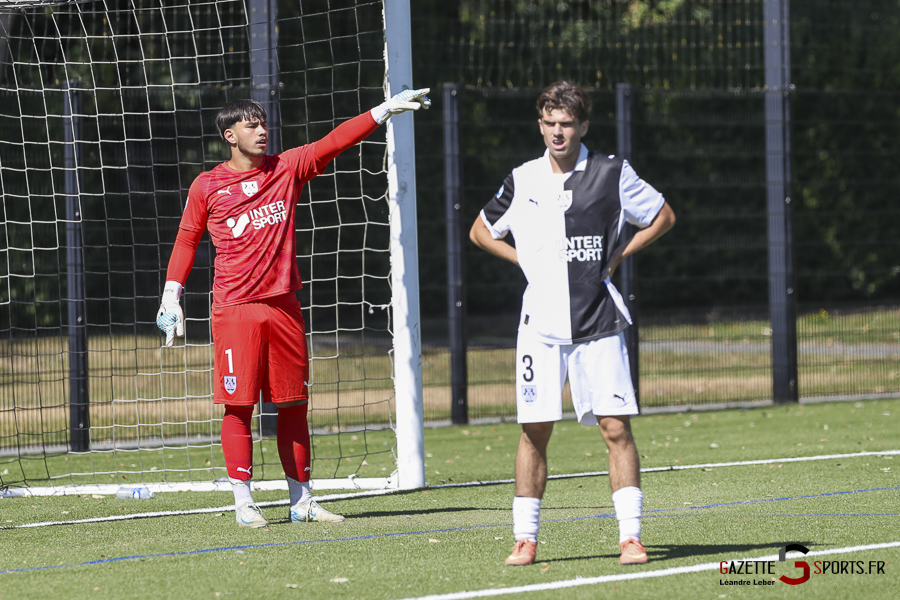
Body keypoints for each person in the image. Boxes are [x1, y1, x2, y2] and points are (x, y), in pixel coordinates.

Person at [155, 89, 431, 528]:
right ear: (230, 135)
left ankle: (302, 501)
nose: (262, 131)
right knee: (238, 407)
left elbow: (332, 142)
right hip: (235, 311)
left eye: (263, 123)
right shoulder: (207, 185)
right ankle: (244, 502)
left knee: (293, 404)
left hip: (284, 308)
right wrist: (172, 294)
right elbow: (187, 239)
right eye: (251, 125)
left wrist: (382, 111)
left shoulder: (285, 168)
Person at [469, 81, 675, 565]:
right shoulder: (523, 178)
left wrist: (618, 254)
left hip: (597, 321)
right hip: (538, 328)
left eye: (566, 124)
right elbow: (480, 230)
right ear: (540, 125)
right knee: (534, 431)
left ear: (583, 125)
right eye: (549, 123)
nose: (557, 132)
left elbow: (662, 216)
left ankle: (630, 538)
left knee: (615, 428)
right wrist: (522, 261)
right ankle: (525, 539)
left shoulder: (613, 173)